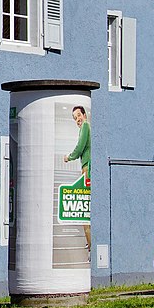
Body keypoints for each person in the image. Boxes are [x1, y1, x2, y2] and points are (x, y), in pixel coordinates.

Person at [63, 105, 91, 252]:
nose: (77, 120)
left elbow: (80, 147)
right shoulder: (85, 127)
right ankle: (89, 242)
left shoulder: (86, 126)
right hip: (86, 167)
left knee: (85, 208)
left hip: (87, 168)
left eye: (78, 115)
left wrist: (69, 157)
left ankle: (90, 243)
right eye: (75, 118)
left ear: (84, 115)